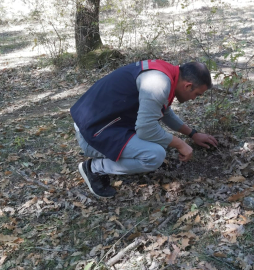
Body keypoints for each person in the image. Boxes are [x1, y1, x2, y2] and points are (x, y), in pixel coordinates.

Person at [70, 59, 218, 198]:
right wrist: (180, 143)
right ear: (188, 85)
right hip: (91, 132)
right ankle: (93, 168)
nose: (194, 99)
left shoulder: (165, 72)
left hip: (102, 123)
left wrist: (193, 134)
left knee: (156, 142)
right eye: (197, 94)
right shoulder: (158, 83)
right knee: (154, 155)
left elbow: (165, 112)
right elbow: (146, 129)